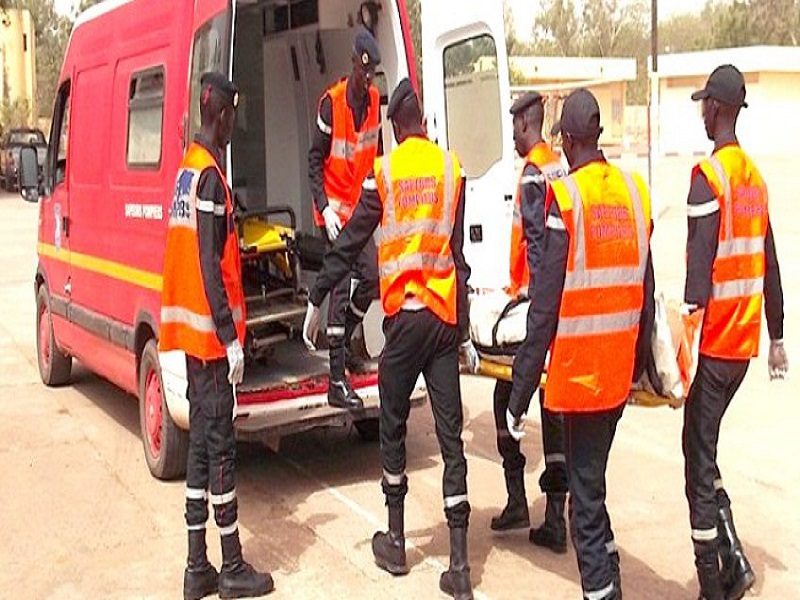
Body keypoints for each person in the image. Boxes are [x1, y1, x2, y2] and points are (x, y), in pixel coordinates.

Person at [302, 79, 479, 600]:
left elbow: (350, 243)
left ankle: (397, 541)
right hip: (443, 322)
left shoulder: (385, 172)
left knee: (393, 428)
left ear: (397, 127)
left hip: (404, 324)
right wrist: (464, 329)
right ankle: (460, 566)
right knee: (451, 438)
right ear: (421, 122)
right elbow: (459, 259)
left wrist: (318, 296)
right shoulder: (451, 169)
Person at [506, 88, 655, 600]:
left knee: (584, 511)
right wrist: (641, 366)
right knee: (593, 485)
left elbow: (544, 308)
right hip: (618, 375)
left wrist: (519, 393)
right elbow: (646, 286)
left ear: (568, 140)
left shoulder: (568, 199)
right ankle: (613, 583)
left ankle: (602, 591)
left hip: (582, 377)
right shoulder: (634, 191)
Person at [160, 72, 273, 600]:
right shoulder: (208, 177)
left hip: (191, 337)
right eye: (232, 117)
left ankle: (195, 566)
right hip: (209, 342)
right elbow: (210, 261)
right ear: (221, 115)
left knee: (201, 452)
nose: (233, 126)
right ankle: (231, 567)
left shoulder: (187, 170)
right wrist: (229, 337)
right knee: (222, 450)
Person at [683, 64, 787, 600]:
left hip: (714, 345)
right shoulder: (754, 180)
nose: (702, 112)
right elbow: (771, 264)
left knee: (696, 463)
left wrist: (678, 353)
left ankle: (713, 581)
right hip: (743, 349)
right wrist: (776, 335)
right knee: (704, 449)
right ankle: (736, 557)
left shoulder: (710, 177)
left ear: (718, 109)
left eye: (706, 104)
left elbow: (698, 279)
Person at [490, 92, 570, 557]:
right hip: (554, 303)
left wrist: (536, 312)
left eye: (514, 125)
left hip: (535, 309)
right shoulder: (558, 165)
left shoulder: (534, 173)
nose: (514, 134)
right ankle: (553, 513)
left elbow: (538, 248)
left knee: (507, 396)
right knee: (552, 409)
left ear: (525, 122)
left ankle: (522, 500)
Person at [308, 28, 383, 410]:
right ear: (353, 63)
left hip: (360, 212)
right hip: (335, 214)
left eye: (371, 74)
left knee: (372, 276)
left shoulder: (374, 101)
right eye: (362, 71)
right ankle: (336, 380)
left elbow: (377, 155)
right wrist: (323, 207)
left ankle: (346, 338)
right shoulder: (331, 104)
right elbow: (314, 161)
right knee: (339, 288)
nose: (366, 79)